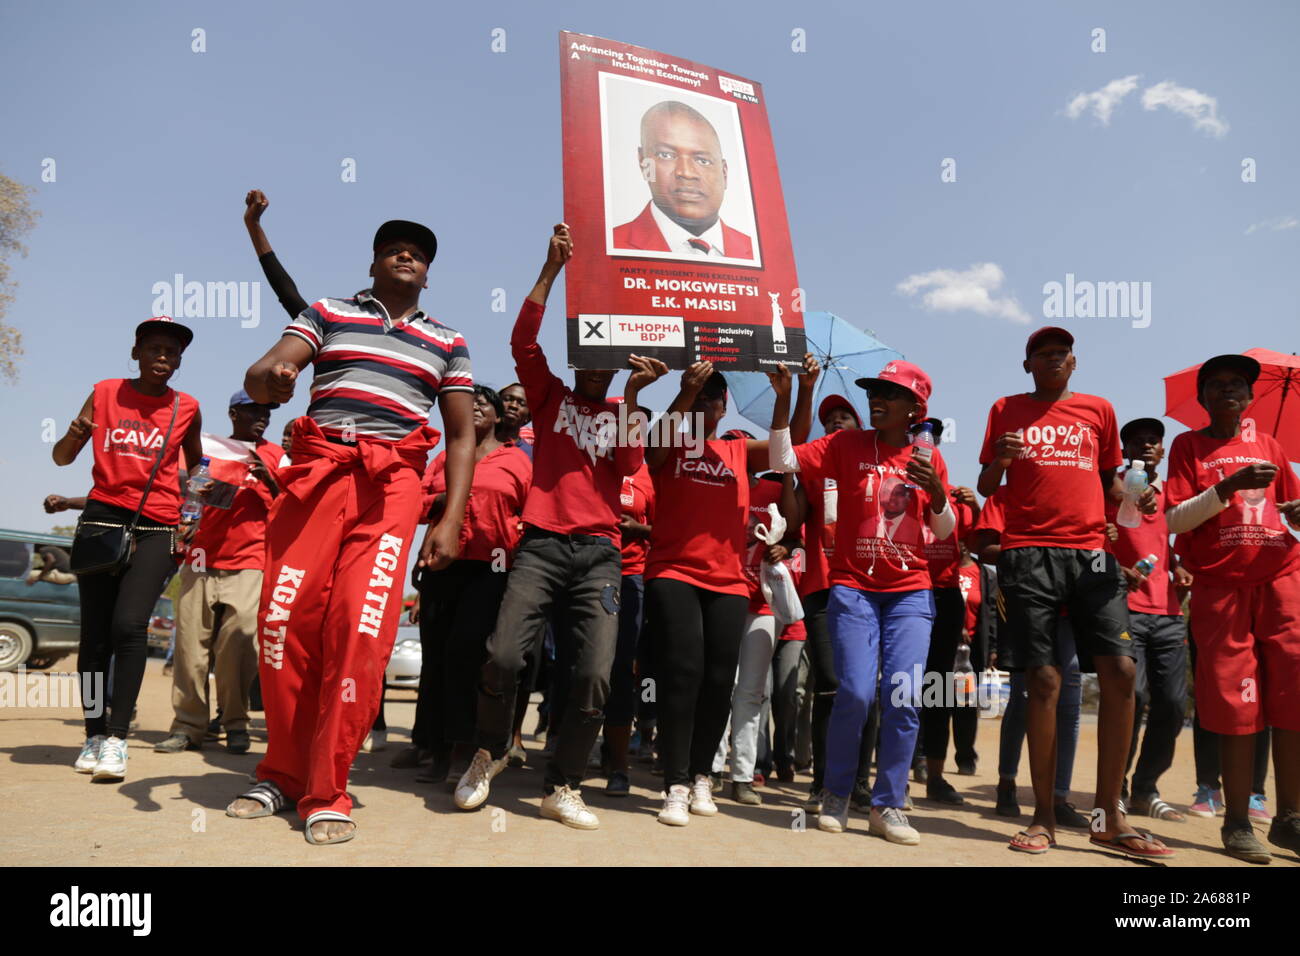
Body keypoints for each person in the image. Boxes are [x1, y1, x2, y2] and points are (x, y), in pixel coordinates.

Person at [226, 197, 475, 846]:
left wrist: (448, 520)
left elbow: (461, 437)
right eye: (396, 245)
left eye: (420, 252)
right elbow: (265, 370)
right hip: (316, 476)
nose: (408, 253)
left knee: (359, 633)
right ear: (374, 259)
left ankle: (326, 787)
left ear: (428, 273)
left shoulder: (449, 342)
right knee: (284, 620)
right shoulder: (329, 313)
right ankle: (281, 771)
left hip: (391, 490)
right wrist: (269, 378)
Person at [453, 223, 663, 830]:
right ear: (577, 363)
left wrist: (634, 393)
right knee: (502, 658)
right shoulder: (549, 399)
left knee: (596, 674)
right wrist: (551, 269)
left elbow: (628, 465)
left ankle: (564, 784)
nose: (597, 370)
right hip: (540, 546)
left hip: (600, 554)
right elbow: (521, 340)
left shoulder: (625, 413)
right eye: (589, 361)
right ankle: (487, 753)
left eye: (609, 364)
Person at [977, 326, 1171, 858]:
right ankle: (1043, 815)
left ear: (1074, 361)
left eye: (1061, 353)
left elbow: (1111, 480)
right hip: (1027, 553)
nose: (1054, 359)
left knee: (1122, 670)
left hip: (1092, 553)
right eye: (1043, 354)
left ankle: (1109, 814)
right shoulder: (1005, 409)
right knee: (1043, 679)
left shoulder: (1099, 411)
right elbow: (987, 486)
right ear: (1028, 365)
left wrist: (1141, 495)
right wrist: (1002, 458)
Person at [769, 360, 956, 844]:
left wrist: (937, 494)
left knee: (904, 696)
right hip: (852, 587)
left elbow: (943, 532)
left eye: (890, 394)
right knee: (853, 691)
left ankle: (888, 804)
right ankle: (835, 793)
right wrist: (788, 394)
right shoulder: (846, 444)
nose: (878, 399)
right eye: (874, 391)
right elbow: (785, 458)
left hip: (911, 592)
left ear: (916, 408)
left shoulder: (928, 457)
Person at [647, 361, 816, 827]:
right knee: (684, 673)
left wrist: (790, 393)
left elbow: (788, 452)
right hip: (673, 571)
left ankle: (703, 775)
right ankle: (675, 784)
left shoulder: (738, 451)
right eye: (700, 395)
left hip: (727, 581)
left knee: (720, 681)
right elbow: (652, 452)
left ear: (724, 407)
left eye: (713, 396)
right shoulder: (671, 439)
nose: (706, 402)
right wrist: (685, 391)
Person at [1163, 353, 1300, 863]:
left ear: (1250, 397)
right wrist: (1226, 487)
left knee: (1291, 700)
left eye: (1238, 383)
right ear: (1201, 399)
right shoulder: (1188, 446)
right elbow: (1174, 520)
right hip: (1221, 586)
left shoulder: (1271, 446)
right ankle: (1238, 822)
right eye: (1217, 384)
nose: (1228, 390)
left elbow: (1291, 515)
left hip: (1282, 578)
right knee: (1236, 706)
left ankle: (1289, 819)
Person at [53, 316, 203, 782]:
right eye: (155, 348)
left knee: (130, 625)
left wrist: (192, 515)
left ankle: (118, 739)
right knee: (95, 636)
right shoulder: (103, 393)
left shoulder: (187, 406)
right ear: (136, 352)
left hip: (158, 525)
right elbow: (61, 457)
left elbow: (198, 468)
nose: (163, 357)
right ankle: (93, 733)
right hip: (102, 521)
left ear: (179, 362)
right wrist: (78, 433)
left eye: (172, 352)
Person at [404, 384, 531, 783]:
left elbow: (531, 515)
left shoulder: (519, 461)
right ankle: (435, 750)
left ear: (499, 417)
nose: (475, 408)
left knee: (469, 656)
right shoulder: (444, 458)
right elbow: (418, 504)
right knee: (438, 658)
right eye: (469, 403)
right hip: (443, 567)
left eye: (484, 405)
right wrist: (444, 502)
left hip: (491, 571)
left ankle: (465, 750)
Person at [153, 390, 283, 756]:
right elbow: (178, 486)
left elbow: (291, 507)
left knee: (238, 645)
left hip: (251, 561)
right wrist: (194, 489)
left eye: (266, 411)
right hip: (199, 559)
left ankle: (235, 723)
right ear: (233, 413)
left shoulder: (276, 456)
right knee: (191, 649)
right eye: (253, 409)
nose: (261, 416)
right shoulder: (206, 445)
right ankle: (188, 727)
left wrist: (270, 481)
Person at [968, 489, 1087, 826]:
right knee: (1025, 696)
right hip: (1025, 601)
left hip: (1070, 604)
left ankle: (1058, 797)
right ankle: (1007, 782)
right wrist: (1029, 553)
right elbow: (984, 549)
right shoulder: (1005, 497)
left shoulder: (1075, 488)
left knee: (1071, 697)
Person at [786, 395, 875, 813]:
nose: (835, 423)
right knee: (830, 686)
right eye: (829, 420)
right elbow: (790, 519)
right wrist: (791, 477)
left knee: (864, 688)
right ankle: (822, 783)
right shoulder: (815, 466)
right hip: (823, 586)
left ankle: (859, 782)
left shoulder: (875, 465)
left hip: (871, 586)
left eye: (844, 416)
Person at [1104, 417, 1189, 823]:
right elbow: (1093, 535)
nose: (1146, 445)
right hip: (1125, 607)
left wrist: (1182, 566)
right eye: (1137, 440)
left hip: (1170, 611)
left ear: (1163, 451)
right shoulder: (1112, 487)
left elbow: (1176, 543)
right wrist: (1114, 567)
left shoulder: (1173, 493)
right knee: (1131, 698)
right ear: (1125, 450)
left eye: (1154, 440)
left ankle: (1145, 788)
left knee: (1172, 703)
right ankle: (1115, 788)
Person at [727, 465, 805, 805]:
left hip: (762, 604)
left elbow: (795, 534)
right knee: (719, 685)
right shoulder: (718, 483)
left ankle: (742, 776)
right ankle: (710, 769)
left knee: (751, 692)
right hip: (723, 594)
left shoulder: (775, 492)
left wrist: (784, 548)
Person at [917, 421, 982, 805]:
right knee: (900, 684)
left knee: (938, 689)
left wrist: (973, 504)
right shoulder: (899, 491)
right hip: (902, 593)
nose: (929, 445)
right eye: (923, 437)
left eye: (935, 438)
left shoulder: (955, 499)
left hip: (944, 596)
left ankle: (936, 774)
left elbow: (977, 546)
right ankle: (893, 765)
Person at [611, 101, 753, 260]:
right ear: (643, 163)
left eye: (703, 161)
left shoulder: (758, 253)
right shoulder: (608, 244)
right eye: (666, 155)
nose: (686, 172)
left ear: (724, 173)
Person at [602, 457, 655, 795]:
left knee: (622, 668)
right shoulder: (587, 459)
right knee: (586, 666)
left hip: (631, 576)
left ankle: (618, 765)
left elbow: (669, 526)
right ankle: (569, 755)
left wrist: (637, 530)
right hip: (586, 572)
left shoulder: (651, 474)